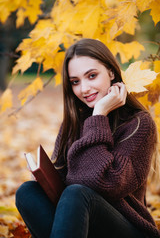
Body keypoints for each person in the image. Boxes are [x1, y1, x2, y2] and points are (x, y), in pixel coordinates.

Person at [15, 38, 160, 238]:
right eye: (75, 81)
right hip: (82, 221)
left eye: (91, 76)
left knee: (77, 193)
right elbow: (66, 179)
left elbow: (105, 185)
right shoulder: (74, 123)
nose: (83, 89)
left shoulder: (139, 124)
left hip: (129, 229)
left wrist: (99, 116)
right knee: (27, 191)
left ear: (111, 72)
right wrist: (46, 180)